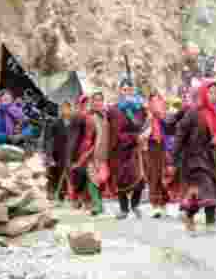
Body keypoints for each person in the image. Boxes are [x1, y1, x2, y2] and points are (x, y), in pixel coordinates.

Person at [174, 80, 216, 230]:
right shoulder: (193, 112)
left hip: (209, 158)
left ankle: (189, 214)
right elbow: (180, 133)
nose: (214, 96)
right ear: (203, 93)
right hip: (193, 159)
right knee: (208, 189)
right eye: (210, 92)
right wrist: (174, 158)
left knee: (200, 192)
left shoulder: (215, 113)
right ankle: (211, 225)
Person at [109, 79, 148, 219]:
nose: (127, 92)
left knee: (139, 178)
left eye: (130, 89)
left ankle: (135, 205)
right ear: (120, 91)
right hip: (120, 149)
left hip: (136, 149)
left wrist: (144, 134)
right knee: (121, 179)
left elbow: (143, 125)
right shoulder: (114, 109)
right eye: (124, 90)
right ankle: (124, 209)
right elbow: (115, 131)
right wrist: (134, 137)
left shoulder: (140, 108)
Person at [142, 92, 181, 218]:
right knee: (153, 177)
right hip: (151, 150)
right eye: (153, 101)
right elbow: (141, 134)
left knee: (165, 177)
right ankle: (155, 205)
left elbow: (173, 129)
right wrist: (148, 127)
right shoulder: (146, 117)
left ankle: (164, 204)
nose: (156, 104)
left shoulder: (168, 116)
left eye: (158, 101)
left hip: (165, 149)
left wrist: (162, 118)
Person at [72, 93, 110, 216]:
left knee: (101, 178)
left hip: (104, 152)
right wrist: (85, 152)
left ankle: (98, 203)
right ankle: (97, 205)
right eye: (95, 100)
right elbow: (85, 136)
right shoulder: (88, 117)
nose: (97, 103)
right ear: (92, 103)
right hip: (91, 151)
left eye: (100, 100)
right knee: (93, 178)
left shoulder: (106, 116)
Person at [45, 102, 77, 201]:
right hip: (58, 153)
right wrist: (49, 154)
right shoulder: (55, 123)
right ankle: (56, 194)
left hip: (71, 152)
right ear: (60, 110)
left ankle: (68, 194)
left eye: (67, 108)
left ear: (70, 110)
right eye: (63, 109)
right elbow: (49, 139)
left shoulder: (74, 123)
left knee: (70, 174)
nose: (65, 111)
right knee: (56, 173)